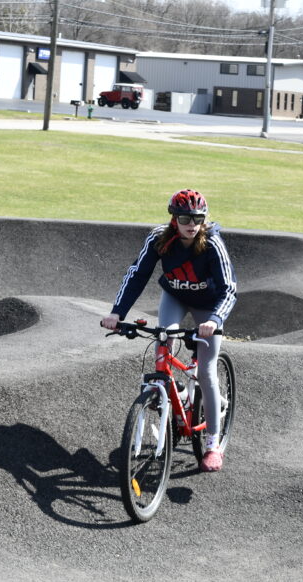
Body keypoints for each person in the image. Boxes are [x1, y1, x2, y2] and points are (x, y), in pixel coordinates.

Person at [101, 189, 237, 472]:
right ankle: (169, 394)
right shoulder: (159, 239)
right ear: (174, 218)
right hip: (175, 297)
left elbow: (229, 289)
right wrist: (117, 312)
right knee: (163, 342)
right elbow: (137, 274)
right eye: (185, 217)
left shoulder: (212, 243)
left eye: (198, 218)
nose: (192, 224)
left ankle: (212, 444)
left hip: (208, 307)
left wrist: (214, 319)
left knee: (206, 371)